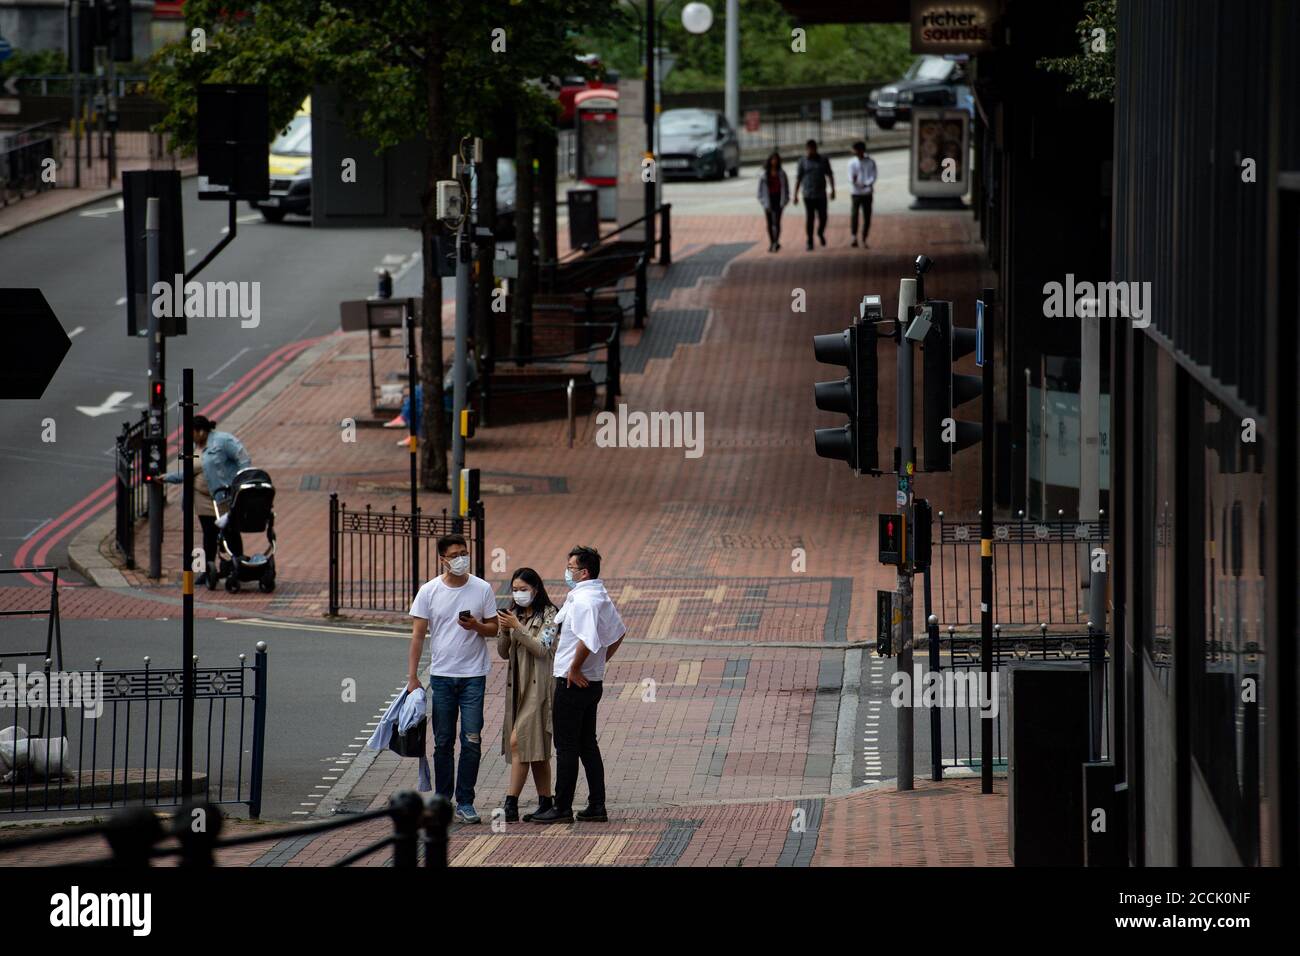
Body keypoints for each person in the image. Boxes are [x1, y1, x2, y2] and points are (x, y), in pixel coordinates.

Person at [406, 533, 499, 824]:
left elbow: (494, 629)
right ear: (442, 559)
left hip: (473, 676)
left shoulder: (482, 588)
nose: (461, 558)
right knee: (443, 741)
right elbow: (418, 636)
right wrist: (412, 677)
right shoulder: (429, 591)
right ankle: (442, 800)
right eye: (455, 554)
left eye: (464, 552)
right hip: (442, 676)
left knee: (471, 739)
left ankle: (466, 801)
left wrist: (476, 626)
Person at [531, 546, 626, 824]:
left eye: (571, 567)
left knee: (567, 746)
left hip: (572, 682)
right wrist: (599, 664)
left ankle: (561, 807)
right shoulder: (599, 595)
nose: (567, 571)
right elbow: (618, 632)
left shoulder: (585, 601)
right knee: (587, 744)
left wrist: (574, 668)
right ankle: (597, 805)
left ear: (584, 572)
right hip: (591, 682)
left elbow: (587, 639)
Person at [494, 568, 559, 822]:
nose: (518, 594)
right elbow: (502, 652)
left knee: (518, 741)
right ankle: (546, 801)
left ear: (536, 589)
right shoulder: (514, 615)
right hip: (517, 689)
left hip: (539, 687)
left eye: (523, 589)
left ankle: (511, 803)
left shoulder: (550, 614)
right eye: (515, 589)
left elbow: (542, 649)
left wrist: (517, 627)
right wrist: (504, 629)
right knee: (536, 749)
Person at [162, 415, 248, 586]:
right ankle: (208, 571)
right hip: (202, 500)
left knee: (230, 532)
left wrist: (239, 481)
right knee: (209, 534)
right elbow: (187, 472)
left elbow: (244, 459)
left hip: (223, 498)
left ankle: (238, 566)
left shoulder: (223, 441)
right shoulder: (195, 448)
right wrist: (167, 477)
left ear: (201, 431)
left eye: (191, 433)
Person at [793, 138, 835, 250]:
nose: (811, 151)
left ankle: (820, 232)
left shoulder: (823, 160)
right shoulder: (802, 161)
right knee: (810, 218)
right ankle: (810, 240)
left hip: (821, 194)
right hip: (808, 195)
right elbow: (798, 178)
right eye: (809, 149)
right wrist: (795, 195)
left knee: (823, 217)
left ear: (816, 148)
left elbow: (830, 175)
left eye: (813, 148)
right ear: (806, 149)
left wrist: (833, 190)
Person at [756, 151, 790, 253]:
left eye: (776, 159)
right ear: (769, 161)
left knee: (777, 222)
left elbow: (786, 188)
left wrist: (786, 199)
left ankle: (776, 242)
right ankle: (772, 242)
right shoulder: (764, 174)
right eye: (772, 159)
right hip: (768, 199)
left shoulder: (782, 173)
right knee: (770, 222)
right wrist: (762, 201)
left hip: (778, 199)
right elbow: (759, 191)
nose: (774, 161)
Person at [847, 140, 877, 248]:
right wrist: (855, 182)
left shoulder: (870, 162)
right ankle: (854, 236)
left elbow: (873, 176)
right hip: (856, 192)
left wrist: (866, 184)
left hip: (867, 192)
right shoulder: (852, 162)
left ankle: (864, 237)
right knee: (854, 215)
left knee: (867, 216)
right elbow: (850, 177)